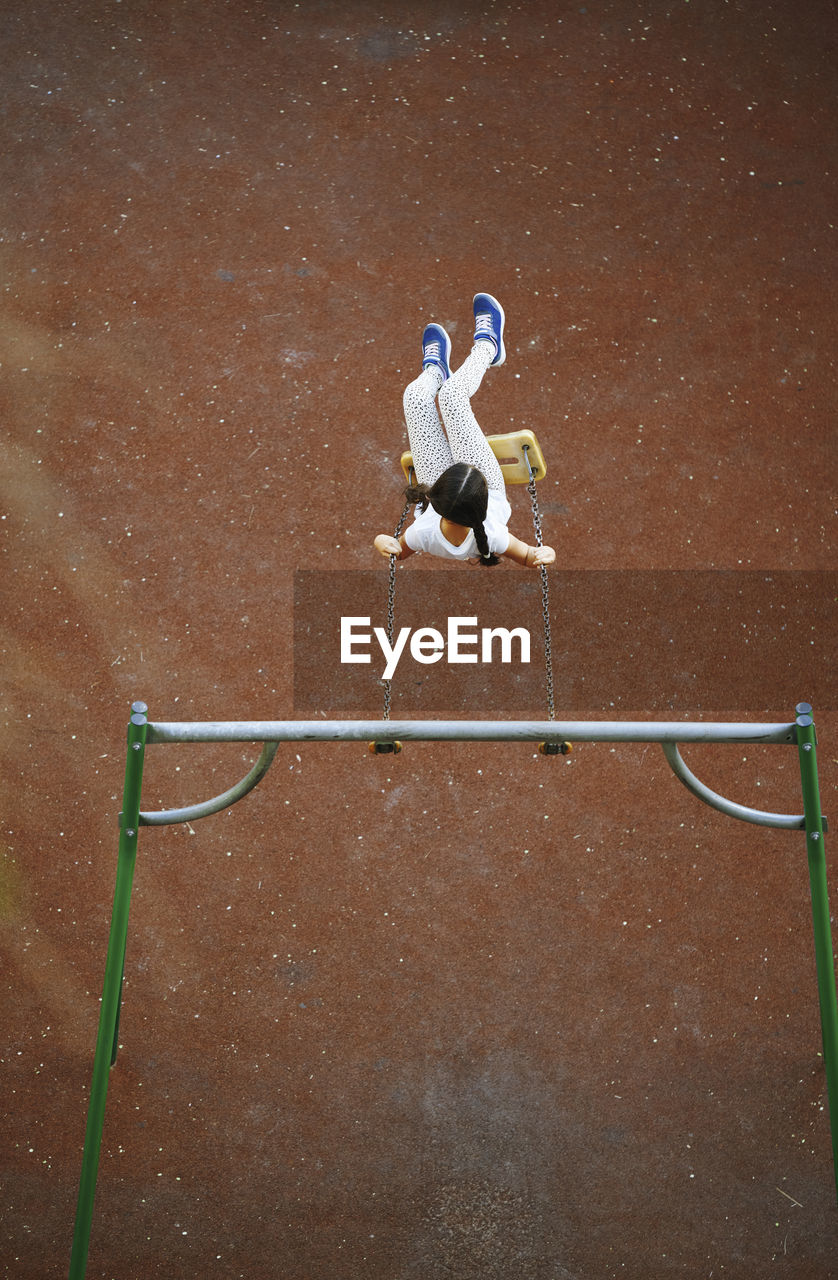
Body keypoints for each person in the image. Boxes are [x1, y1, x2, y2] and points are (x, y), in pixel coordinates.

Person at [373, 293, 557, 568]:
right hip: (467, 491)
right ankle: (488, 347)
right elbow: (530, 556)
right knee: (451, 397)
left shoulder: (423, 532)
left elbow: (396, 552)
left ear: (434, 497)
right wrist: (546, 554)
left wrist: (381, 541)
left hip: (447, 490)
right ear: (483, 509)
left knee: (415, 396)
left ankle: (436, 371)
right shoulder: (493, 535)